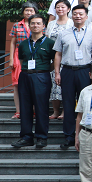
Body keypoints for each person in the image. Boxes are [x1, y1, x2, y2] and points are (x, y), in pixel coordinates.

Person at [53, 4, 92, 149]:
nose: (78, 16)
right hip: (67, 71)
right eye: (75, 14)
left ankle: (84, 135)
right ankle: (69, 136)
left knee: (86, 103)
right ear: (71, 16)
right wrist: (57, 72)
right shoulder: (64, 33)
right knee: (68, 104)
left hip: (85, 71)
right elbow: (58, 54)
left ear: (86, 17)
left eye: (81, 14)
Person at [12, 15, 56, 148]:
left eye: (38, 23)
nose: (35, 26)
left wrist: (43, 70)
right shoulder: (24, 44)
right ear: (29, 26)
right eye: (32, 23)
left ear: (43, 26)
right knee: (25, 107)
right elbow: (21, 60)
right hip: (25, 75)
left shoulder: (50, 43)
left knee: (41, 107)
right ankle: (26, 137)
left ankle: (41, 137)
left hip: (41, 76)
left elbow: (54, 61)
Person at [8, 2, 37, 119]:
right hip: (18, 55)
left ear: (35, 12)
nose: (29, 12)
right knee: (17, 85)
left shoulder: (38, 24)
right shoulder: (17, 25)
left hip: (34, 56)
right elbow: (13, 42)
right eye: (26, 10)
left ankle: (33, 111)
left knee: (33, 83)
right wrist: (11, 59)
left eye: (31, 10)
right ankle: (18, 111)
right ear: (23, 12)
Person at [46, 0, 73, 120]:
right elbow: (47, 39)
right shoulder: (51, 24)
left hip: (67, 58)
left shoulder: (72, 23)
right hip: (53, 59)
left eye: (63, 7)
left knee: (65, 86)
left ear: (68, 9)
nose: (60, 9)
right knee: (54, 85)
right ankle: (56, 111)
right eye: (58, 7)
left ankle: (64, 111)